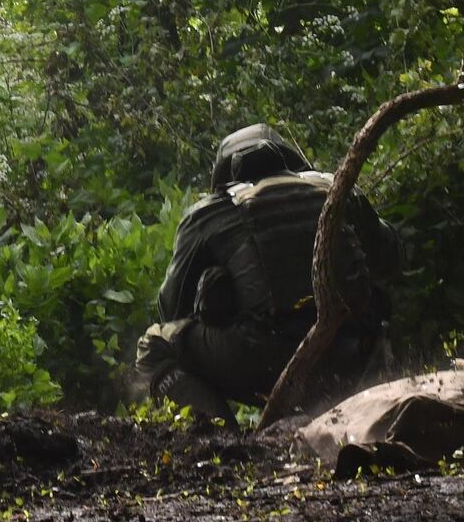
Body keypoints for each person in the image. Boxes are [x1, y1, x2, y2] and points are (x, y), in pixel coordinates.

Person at [135, 124, 397, 423]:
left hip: (267, 361)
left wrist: (220, 297)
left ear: (225, 173)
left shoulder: (210, 212)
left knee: (154, 345)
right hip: (354, 353)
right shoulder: (336, 188)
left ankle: (217, 438)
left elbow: (170, 308)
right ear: (289, 159)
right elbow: (391, 258)